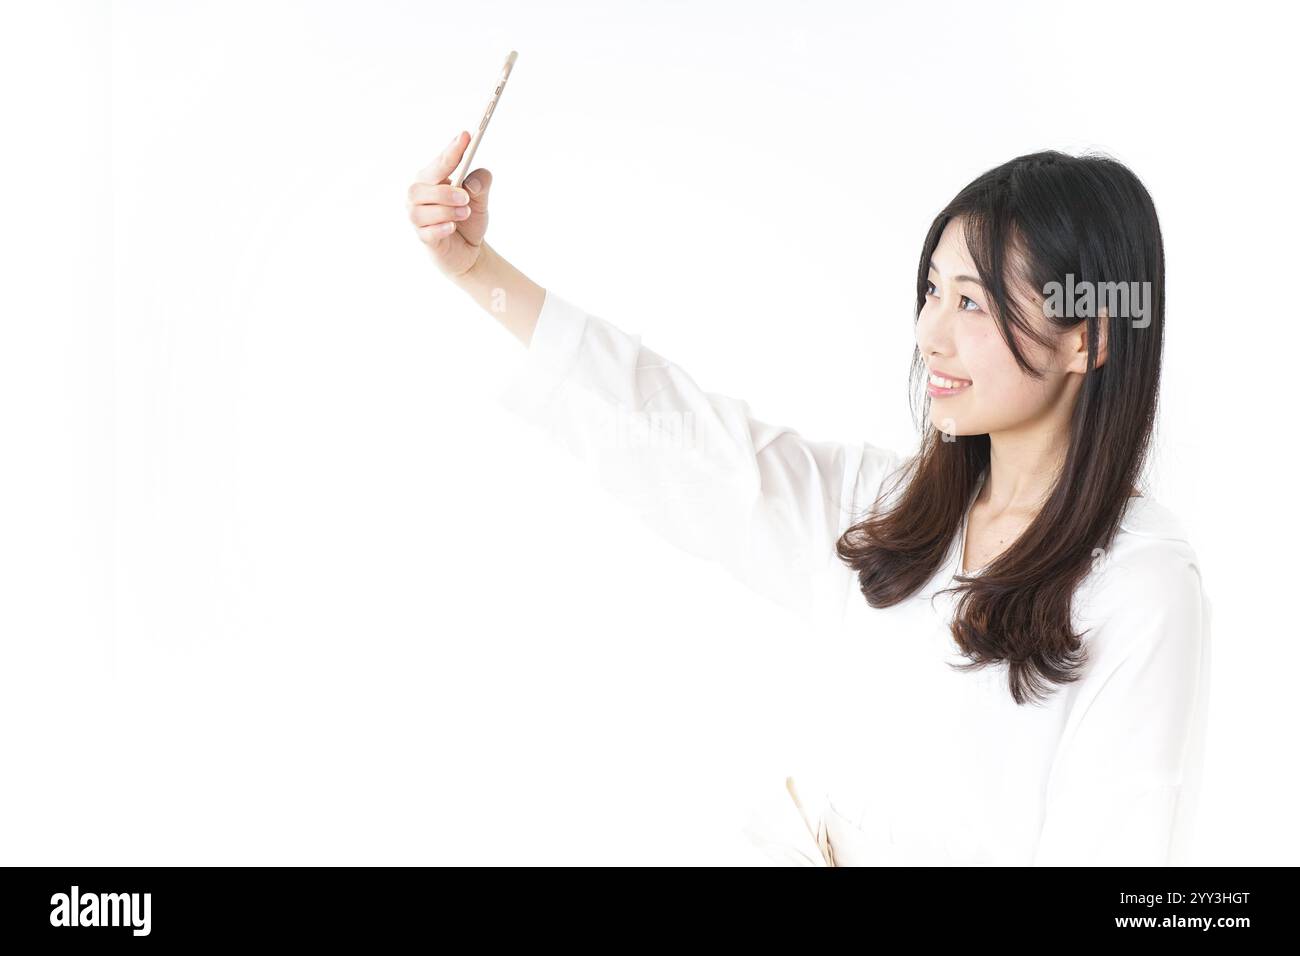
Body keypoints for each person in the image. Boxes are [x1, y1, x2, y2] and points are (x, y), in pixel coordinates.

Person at [406, 132, 1212, 866]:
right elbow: (687, 438)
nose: (931, 333)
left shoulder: (1139, 587)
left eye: (972, 302)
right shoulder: (895, 513)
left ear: (1089, 335)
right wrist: (479, 272)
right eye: (932, 291)